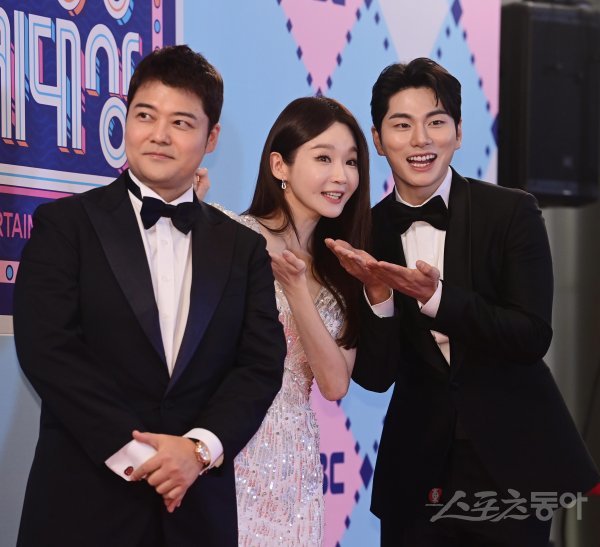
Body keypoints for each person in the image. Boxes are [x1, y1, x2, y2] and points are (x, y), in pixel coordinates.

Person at [13, 45, 285, 547]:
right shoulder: (66, 225)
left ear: (211, 137)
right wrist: (144, 458)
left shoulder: (243, 248)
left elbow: (260, 364)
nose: (159, 135)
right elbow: (47, 350)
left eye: (181, 122)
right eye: (145, 115)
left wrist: (197, 451)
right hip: (83, 506)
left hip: (196, 511)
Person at [326, 57, 599, 546]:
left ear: (458, 132)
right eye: (402, 125)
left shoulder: (511, 212)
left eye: (435, 122)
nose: (421, 140)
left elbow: (531, 335)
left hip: (511, 462)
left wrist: (436, 298)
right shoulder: (365, 232)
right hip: (417, 469)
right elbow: (376, 376)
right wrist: (379, 297)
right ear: (378, 138)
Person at [199, 96, 371, 545]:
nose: (342, 176)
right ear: (280, 165)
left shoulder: (343, 272)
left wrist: (297, 289)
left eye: (351, 161)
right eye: (323, 158)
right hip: (226, 444)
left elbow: (334, 384)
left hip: (295, 466)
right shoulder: (230, 234)